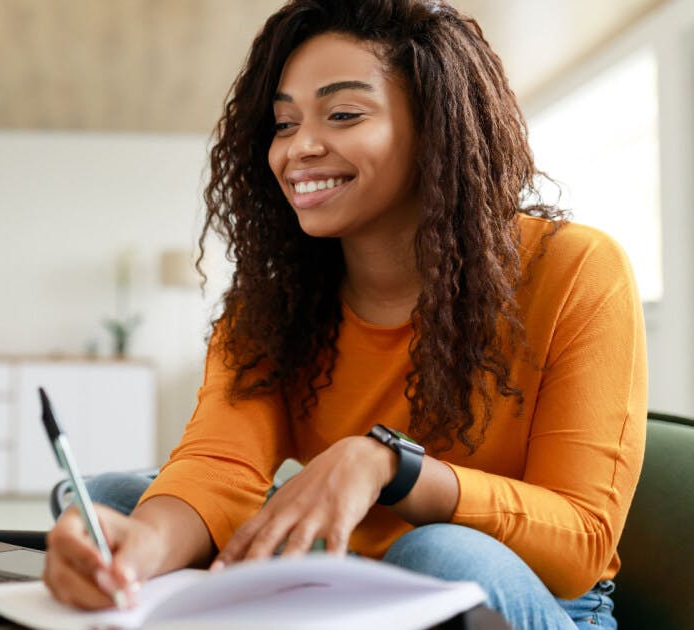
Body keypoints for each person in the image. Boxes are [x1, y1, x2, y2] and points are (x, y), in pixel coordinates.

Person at [42, 1, 647, 628]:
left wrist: (392, 465)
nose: (299, 148)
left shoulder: (576, 268)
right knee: (118, 502)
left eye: (343, 114)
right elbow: (218, 467)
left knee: (437, 552)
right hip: (348, 578)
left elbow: (581, 544)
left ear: (436, 128)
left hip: (531, 595)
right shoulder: (273, 305)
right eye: (283, 123)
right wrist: (137, 553)